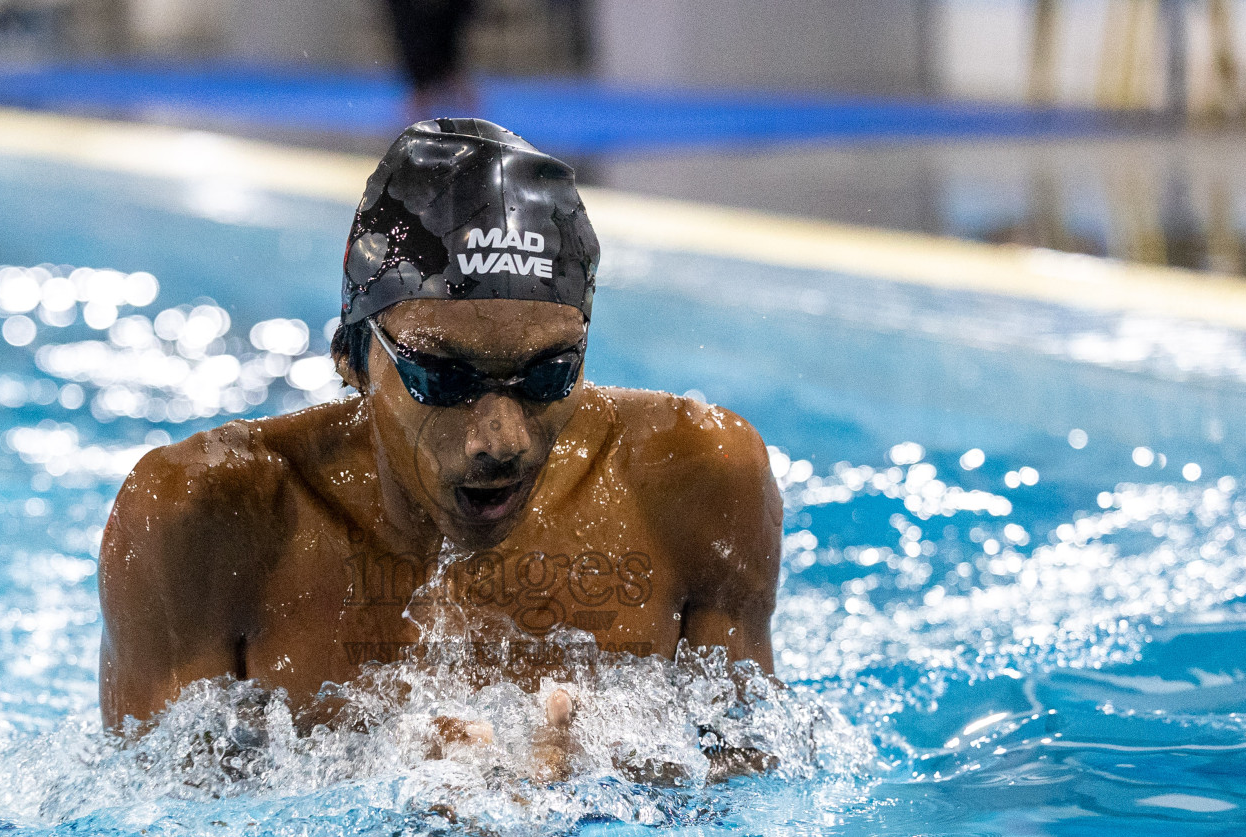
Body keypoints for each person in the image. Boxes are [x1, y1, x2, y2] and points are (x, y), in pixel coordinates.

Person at [98, 119, 782, 773]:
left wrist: (618, 794)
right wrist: (388, 820)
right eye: (444, 376)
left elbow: (756, 784)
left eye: (548, 374)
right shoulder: (204, 519)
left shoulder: (695, 478)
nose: (501, 440)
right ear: (353, 358)